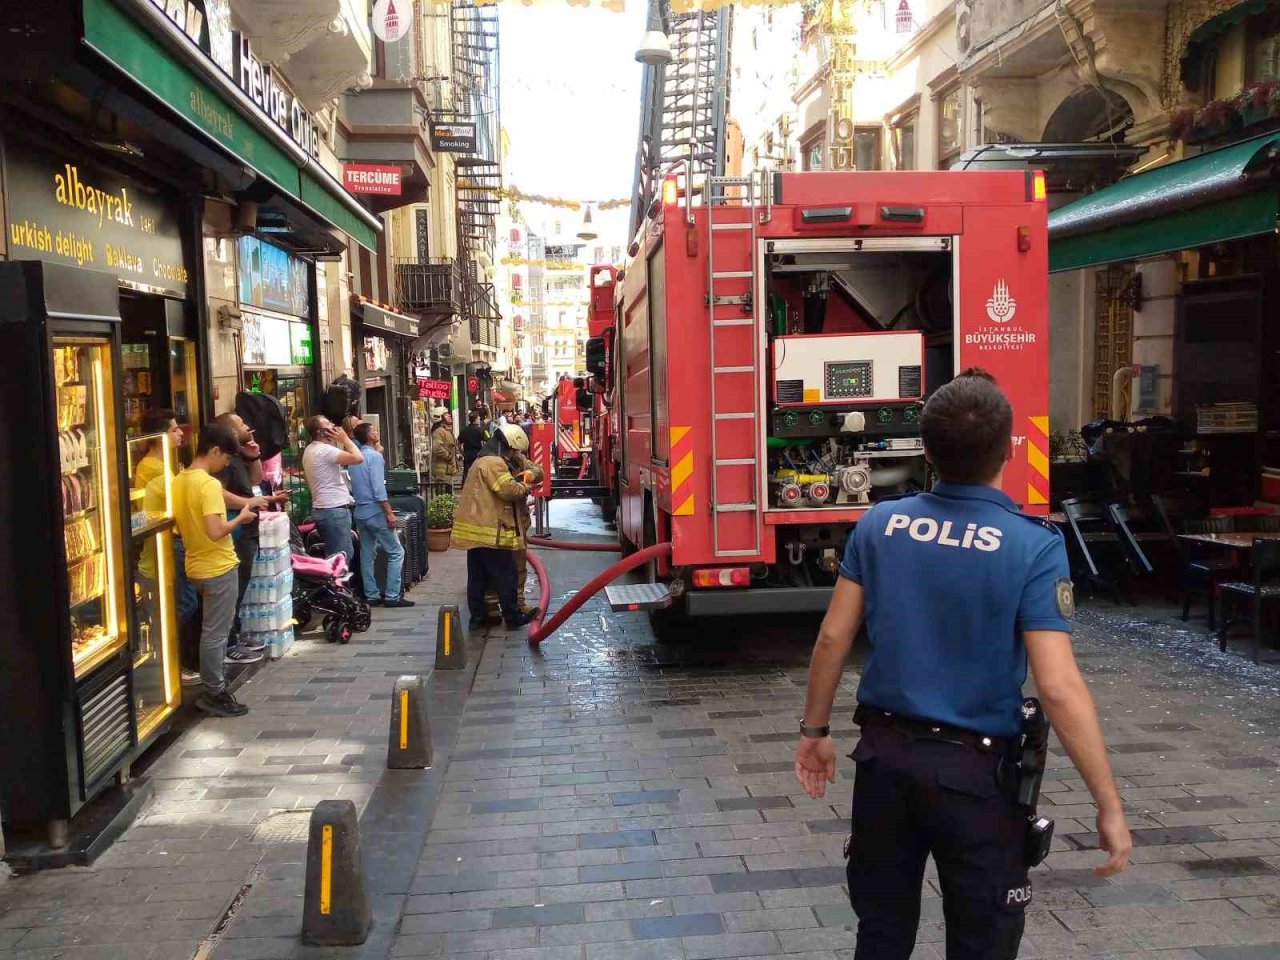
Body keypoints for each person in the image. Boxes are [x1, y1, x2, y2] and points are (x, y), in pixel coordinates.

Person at [795, 370, 1131, 960]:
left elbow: (832, 639)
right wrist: (1108, 803)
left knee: (880, 933)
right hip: (974, 777)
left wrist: (815, 733)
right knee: (982, 940)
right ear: (1010, 449)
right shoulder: (1033, 545)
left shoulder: (880, 523)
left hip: (884, 763)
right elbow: (1056, 685)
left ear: (926, 451)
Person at [172, 421, 259, 717]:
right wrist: (242, 518)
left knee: (208, 631)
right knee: (216, 634)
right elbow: (215, 530)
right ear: (215, 450)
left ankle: (212, 685)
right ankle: (215, 691)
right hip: (217, 566)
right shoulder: (208, 484)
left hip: (194, 564)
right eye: (225, 459)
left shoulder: (180, 479)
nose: (225, 465)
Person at [451, 423, 541, 631]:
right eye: (512, 450)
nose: (513, 454)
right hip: (491, 532)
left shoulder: (480, 461)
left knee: (478, 576)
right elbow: (508, 490)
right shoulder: (494, 463)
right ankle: (513, 615)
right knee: (506, 573)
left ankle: (479, 617)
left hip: (476, 533)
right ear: (506, 445)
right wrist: (525, 486)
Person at [134, 409, 200, 683]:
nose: (180, 433)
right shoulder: (151, 468)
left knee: (183, 601)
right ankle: (162, 652)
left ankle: (169, 657)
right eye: (173, 429)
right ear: (158, 436)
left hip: (170, 542)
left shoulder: (164, 464)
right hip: (162, 545)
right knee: (183, 603)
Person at [213, 412, 281, 664]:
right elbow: (216, 492)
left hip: (248, 529)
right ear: (231, 430)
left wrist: (254, 456)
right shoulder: (223, 462)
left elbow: (254, 480)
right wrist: (247, 503)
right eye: (242, 423)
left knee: (241, 587)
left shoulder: (240, 455)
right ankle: (229, 643)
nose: (248, 426)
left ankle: (236, 635)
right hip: (236, 531)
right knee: (235, 588)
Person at [349, 421, 415, 609]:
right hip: (375, 510)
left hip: (360, 511)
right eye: (374, 431)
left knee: (367, 553)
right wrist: (388, 512)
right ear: (369, 435)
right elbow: (379, 489)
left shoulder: (356, 457)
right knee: (396, 551)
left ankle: (371, 594)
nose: (377, 432)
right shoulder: (374, 458)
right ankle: (392, 595)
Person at [302, 415, 364, 561]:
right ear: (320, 432)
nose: (333, 425)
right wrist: (344, 438)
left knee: (336, 555)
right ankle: (338, 583)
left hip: (326, 509)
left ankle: (337, 583)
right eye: (328, 423)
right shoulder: (324, 451)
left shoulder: (311, 450)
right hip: (333, 510)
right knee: (341, 558)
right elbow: (358, 458)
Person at [430, 407, 459, 485]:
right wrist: (449, 456)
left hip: (448, 471)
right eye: (446, 414)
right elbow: (437, 448)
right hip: (442, 474)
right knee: (443, 496)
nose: (449, 415)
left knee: (448, 496)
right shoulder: (439, 432)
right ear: (439, 418)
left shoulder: (446, 431)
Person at [458, 409, 487, 480]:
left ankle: (465, 487)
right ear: (476, 419)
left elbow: (458, 443)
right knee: (478, 473)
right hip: (478, 454)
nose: (480, 419)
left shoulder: (464, 430)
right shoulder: (481, 430)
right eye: (479, 418)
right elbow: (488, 440)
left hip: (467, 454)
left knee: (466, 472)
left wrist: (462, 452)